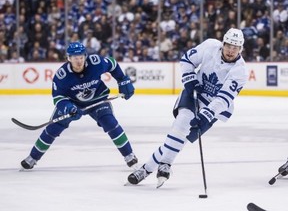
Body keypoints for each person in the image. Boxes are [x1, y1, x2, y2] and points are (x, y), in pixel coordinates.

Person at [127, 28, 248, 187]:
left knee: (179, 139)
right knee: (181, 123)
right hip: (194, 93)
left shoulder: (240, 71)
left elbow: (224, 98)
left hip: (214, 106)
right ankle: (166, 165)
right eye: (229, 45)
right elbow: (187, 60)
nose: (231, 50)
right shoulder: (210, 46)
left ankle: (146, 168)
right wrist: (190, 79)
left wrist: (207, 114)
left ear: (241, 49)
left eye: (235, 47)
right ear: (223, 43)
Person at [21, 42, 138, 170]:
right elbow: (58, 98)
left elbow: (112, 64)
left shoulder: (95, 63)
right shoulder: (62, 76)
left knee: (110, 122)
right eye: (75, 58)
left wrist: (122, 79)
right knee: (53, 128)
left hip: (97, 100)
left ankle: (129, 155)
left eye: (81, 57)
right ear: (68, 58)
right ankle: (32, 158)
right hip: (73, 104)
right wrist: (68, 108)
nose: (79, 61)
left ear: (85, 56)